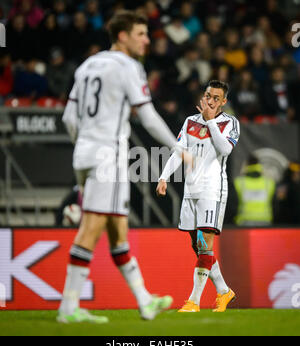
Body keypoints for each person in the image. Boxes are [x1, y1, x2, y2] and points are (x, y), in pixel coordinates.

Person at [58, 10, 192, 324]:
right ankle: (68, 306)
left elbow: (67, 118)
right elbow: (147, 116)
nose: (147, 40)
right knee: (90, 229)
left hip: (85, 152)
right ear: (123, 36)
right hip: (108, 156)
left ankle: (145, 300)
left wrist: (84, 144)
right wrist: (177, 148)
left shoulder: (87, 64)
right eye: (141, 34)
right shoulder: (129, 67)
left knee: (118, 229)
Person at [156, 80, 240, 312]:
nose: (210, 101)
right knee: (199, 246)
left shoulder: (229, 122)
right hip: (190, 191)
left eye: (216, 98)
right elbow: (179, 151)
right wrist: (164, 177)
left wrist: (211, 122)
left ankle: (194, 301)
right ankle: (224, 291)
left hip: (212, 190)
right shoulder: (190, 121)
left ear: (223, 102)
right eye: (208, 96)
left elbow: (225, 150)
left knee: (205, 245)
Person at [234, 155, 275, 226]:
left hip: (244, 222)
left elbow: (233, 205)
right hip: (265, 221)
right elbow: (275, 205)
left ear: (246, 165)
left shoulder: (239, 182)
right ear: (259, 165)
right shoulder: (269, 183)